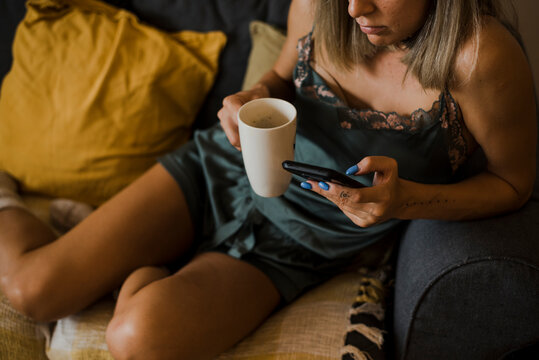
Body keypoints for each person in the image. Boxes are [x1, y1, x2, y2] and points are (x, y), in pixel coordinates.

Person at [0, 0, 536, 359]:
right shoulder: (323, 4)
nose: (354, 10)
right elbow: (279, 77)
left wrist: (407, 201)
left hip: (297, 246)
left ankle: (148, 272)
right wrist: (251, 97)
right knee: (29, 289)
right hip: (220, 170)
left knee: (135, 338)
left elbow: (515, 183)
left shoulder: (480, 57)